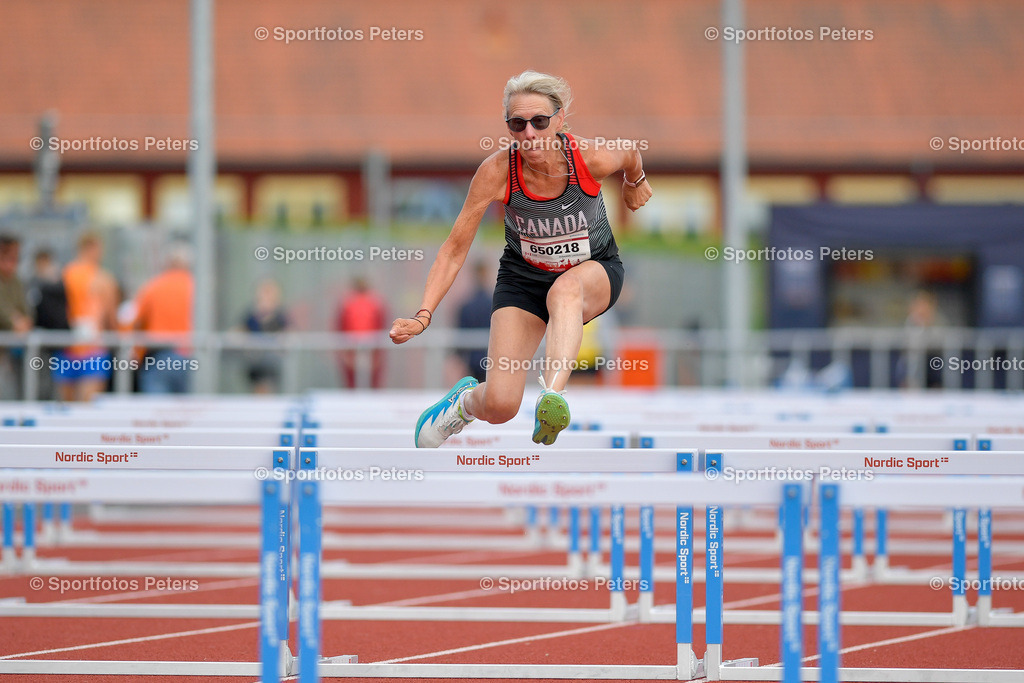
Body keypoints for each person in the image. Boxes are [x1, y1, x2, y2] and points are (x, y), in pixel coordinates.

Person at [390, 70, 652, 447]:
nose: (529, 134)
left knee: (565, 291)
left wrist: (635, 181)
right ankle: (462, 403)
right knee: (500, 405)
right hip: (524, 280)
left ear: (560, 120)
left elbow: (630, 152)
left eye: (540, 122)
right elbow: (453, 249)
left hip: (593, 271)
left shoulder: (590, 158)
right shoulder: (497, 172)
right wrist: (423, 314)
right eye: (518, 124)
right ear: (509, 128)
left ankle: (553, 398)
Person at [57, 232, 118, 402]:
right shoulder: (103, 278)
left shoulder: (64, 275)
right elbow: (112, 318)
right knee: (87, 408)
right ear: (93, 248)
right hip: (94, 348)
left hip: (66, 345)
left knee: (66, 410)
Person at [131, 244, 194, 394]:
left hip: (159, 356)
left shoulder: (154, 286)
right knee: (190, 413)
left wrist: (136, 353)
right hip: (191, 356)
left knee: (156, 412)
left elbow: (134, 320)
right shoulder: (196, 287)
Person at [25, 248, 70, 400]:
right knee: (37, 380)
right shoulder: (33, 284)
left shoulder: (59, 283)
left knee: (54, 381)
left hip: (56, 341)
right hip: (38, 341)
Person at [336, 277, 387, 388]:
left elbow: (380, 324)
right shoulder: (349, 303)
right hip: (355, 347)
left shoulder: (373, 303)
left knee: (369, 382)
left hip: (367, 346)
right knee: (354, 382)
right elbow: (342, 326)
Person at [242, 278, 289, 394]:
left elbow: (288, 331)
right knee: (259, 391)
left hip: (272, 363)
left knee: (268, 392)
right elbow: (242, 330)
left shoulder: (280, 316)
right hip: (256, 362)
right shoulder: (252, 316)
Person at [0, 235, 31, 398]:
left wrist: (18, 321)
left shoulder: (16, 281)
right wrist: (14, 320)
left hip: (8, 356)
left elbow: (27, 313)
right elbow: (4, 314)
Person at [457, 261, 493, 383]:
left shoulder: (467, 305)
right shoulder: (494, 303)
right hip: (492, 359)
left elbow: (461, 333)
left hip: (473, 360)